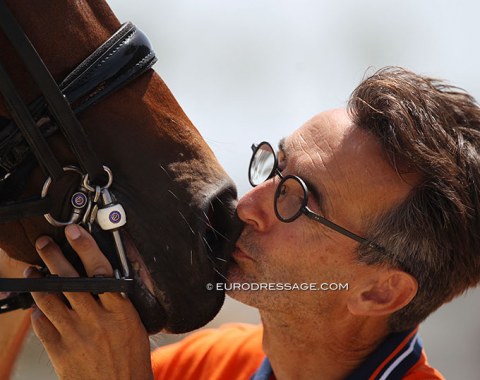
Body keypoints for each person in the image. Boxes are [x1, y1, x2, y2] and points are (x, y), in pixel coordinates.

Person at [4, 66, 480, 379]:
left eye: (297, 201)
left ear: (379, 292)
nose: (248, 203)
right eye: (275, 168)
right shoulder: (217, 362)